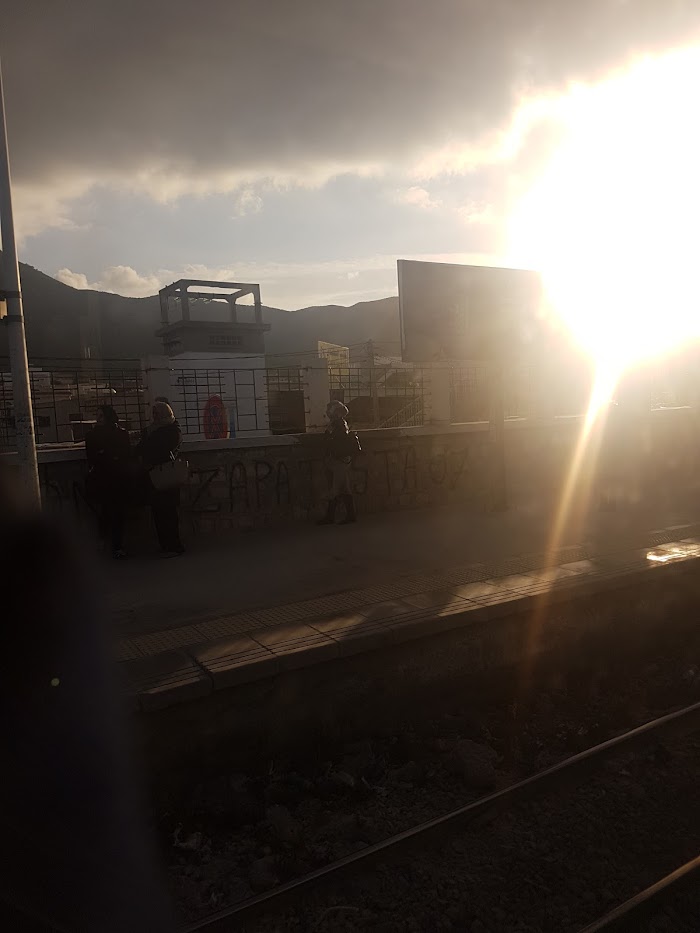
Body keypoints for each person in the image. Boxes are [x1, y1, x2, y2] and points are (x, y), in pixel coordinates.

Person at [136, 402, 185, 556]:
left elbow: (158, 449)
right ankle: (165, 546)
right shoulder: (153, 430)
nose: (154, 416)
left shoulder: (172, 430)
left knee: (169, 514)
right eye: (154, 413)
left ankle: (173, 546)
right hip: (156, 477)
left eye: (157, 413)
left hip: (166, 476)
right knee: (159, 513)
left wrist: (149, 437)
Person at [85, 404, 132, 559]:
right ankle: (106, 544)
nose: (98, 419)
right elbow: (92, 457)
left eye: (101, 416)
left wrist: (105, 454)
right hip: (103, 480)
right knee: (105, 512)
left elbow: (125, 454)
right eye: (97, 415)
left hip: (118, 479)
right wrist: (110, 456)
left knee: (118, 513)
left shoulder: (121, 434)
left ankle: (117, 546)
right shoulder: (92, 435)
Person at [317, 400, 359, 525]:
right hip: (341, 460)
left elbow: (330, 441)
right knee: (345, 488)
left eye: (329, 410)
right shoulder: (340, 424)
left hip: (339, 461)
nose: (327, 412)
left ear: (335, 412)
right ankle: (351, 515)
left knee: (335, 489)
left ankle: (330, 516)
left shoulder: (338, 425)